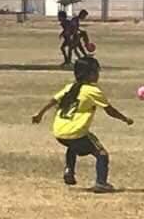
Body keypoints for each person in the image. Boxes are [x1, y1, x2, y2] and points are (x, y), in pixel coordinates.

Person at [31, 56, 133, 193]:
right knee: (102, 154)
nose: (98, 74)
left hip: (59, 132)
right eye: (96, 71)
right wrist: (125, 119)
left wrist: (40, 114)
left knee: (72, 146)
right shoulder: (93, 91)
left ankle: (69, 170)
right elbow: (110, 110)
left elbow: (53, 100)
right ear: (90, 74)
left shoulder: (70, 87)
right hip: (77, 132)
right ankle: (101, 183)